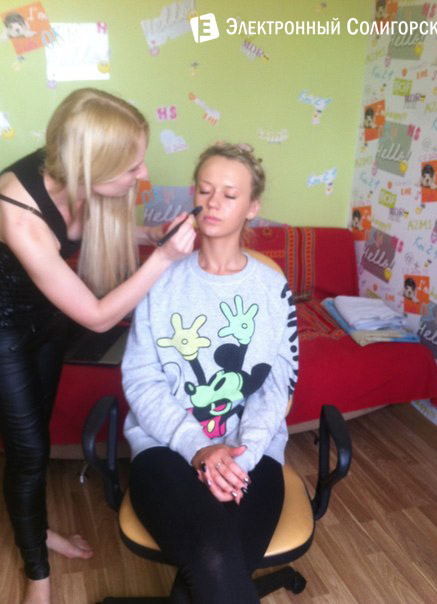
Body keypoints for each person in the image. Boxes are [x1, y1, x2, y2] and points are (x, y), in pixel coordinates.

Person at [0, 87, 196, 604]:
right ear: (92, 165)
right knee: (27, 452)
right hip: (3, 329)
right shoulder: (15, 209)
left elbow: (94, 233)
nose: (143, 174)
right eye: (131, 167)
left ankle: (36, 528)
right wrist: (164, 259)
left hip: (46, 318)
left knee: (37, 439)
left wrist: (151, 233)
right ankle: (38, 576)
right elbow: (98, 315)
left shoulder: (71, 171)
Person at [122, 142, 299, 603]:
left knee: (214, 568)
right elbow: (141, 379)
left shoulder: (272, 288)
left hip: (251, 453)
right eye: (205, 190)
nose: (214, 202)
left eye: (230, 194)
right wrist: (198, 446)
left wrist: (240, 456)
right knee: (216, 560)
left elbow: (277, 384)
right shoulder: (160, 278)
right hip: (164, 448)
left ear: (252, 207)